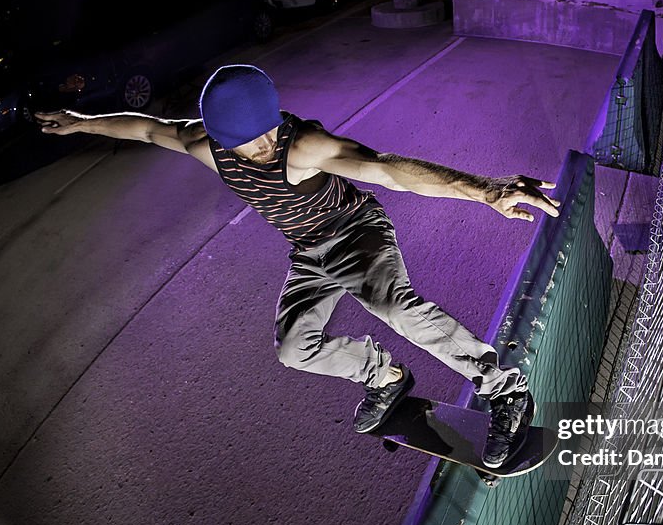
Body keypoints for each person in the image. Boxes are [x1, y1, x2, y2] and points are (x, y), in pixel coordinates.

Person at [35, 64, 560, 468]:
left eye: (268, 132)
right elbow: (149, 129)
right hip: (309, 252)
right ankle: (385, 376)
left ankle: (505, 389)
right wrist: (81, 122)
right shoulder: (204, 145)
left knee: (392, 306)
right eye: (249, 142)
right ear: (218, 138)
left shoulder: (303, 146)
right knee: (294, 350)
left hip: (356, 234)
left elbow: (386, 170)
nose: (265, 147)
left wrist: (485, 190)